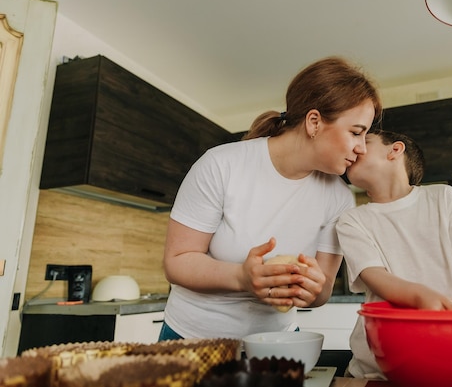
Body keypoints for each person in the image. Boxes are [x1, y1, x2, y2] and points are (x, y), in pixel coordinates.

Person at [159, 56, 383, 341]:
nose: (362, 149)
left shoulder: (339, 198)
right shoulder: (221, 164)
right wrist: (242, 277)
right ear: (314, 122)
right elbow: (177, 261)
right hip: (192, 339)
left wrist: (313, 288)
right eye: (356, 133)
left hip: (278, 343)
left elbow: (323, 291)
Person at [336, 129, 452, 379]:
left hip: (448, 351)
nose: (356, 147)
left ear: (395, 150)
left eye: (366, 141)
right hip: (377, 367)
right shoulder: (352, 220)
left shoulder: (444, 198)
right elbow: (374, 275)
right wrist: (420, 296)